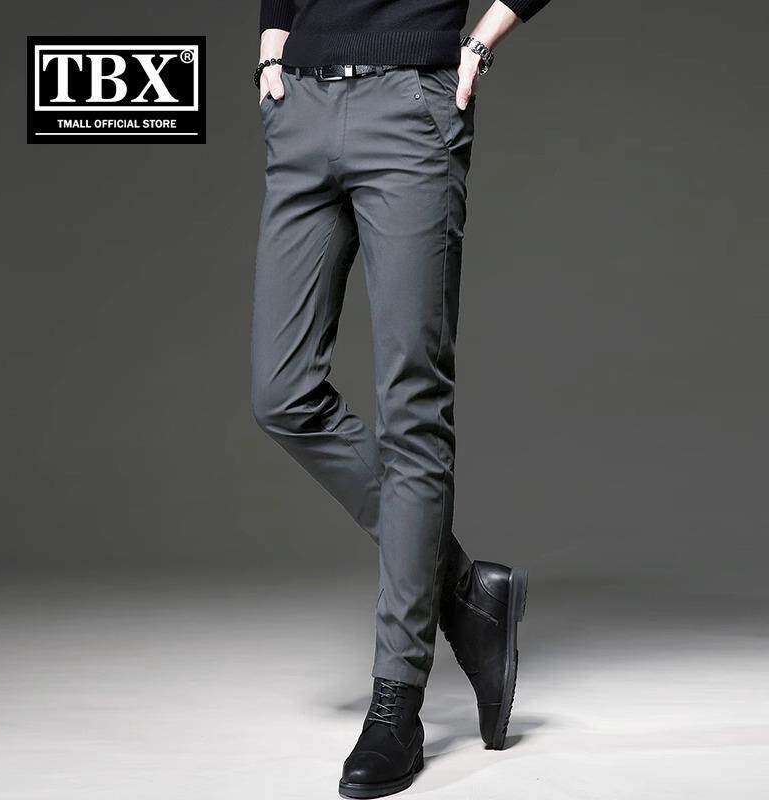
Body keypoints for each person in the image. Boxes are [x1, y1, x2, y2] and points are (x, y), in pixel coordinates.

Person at [252, 1, 550, 796]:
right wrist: (273, 45)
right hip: (302, 106)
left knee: (412, 406)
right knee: (281, 392)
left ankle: (396, 707)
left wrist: (479, 45)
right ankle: (465, 591)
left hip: (410, 106)